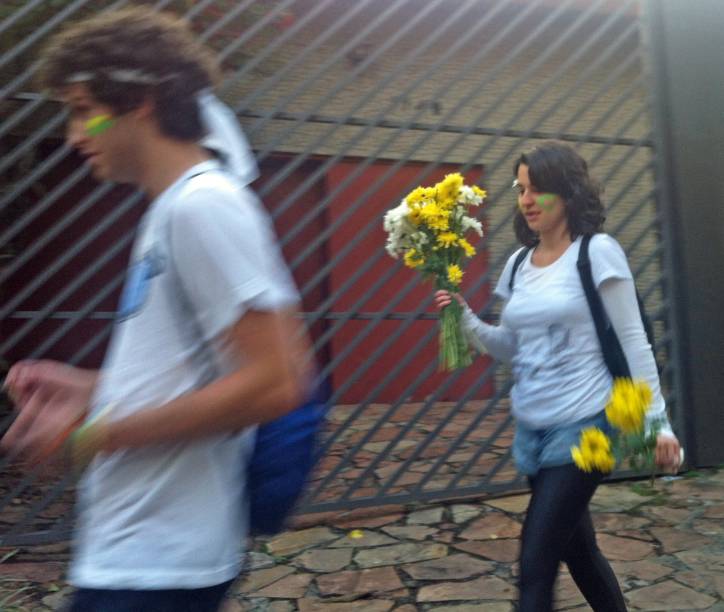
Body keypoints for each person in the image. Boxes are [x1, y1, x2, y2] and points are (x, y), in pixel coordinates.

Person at [1, 7, 312, 611]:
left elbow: (276, 381)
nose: (73, 135)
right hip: (134, 556)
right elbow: (194, 371)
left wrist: (92, 436)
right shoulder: (169, 213)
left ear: (139, 101)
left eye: (83, 110)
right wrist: (90, 387)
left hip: (160, 563)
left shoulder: (204, 206)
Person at [435, 142, 681, 612]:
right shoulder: (518, 265)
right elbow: (510, 345)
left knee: (535, 565)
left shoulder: (598, 253)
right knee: (579, 551)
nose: (526, 199)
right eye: (521, 189)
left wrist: (657, 423)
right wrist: (465, 320)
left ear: (567, 193)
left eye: (538, 189)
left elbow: (633, 341)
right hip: (533, 431)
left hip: (587, 427)